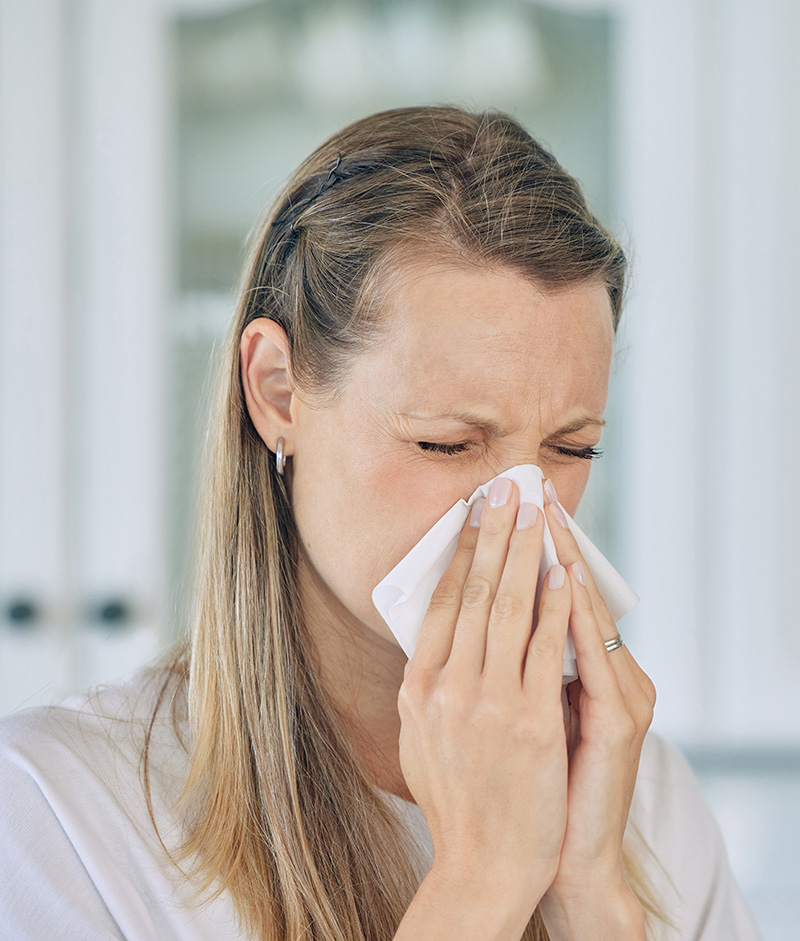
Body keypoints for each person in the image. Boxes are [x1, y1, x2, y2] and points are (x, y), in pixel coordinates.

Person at [0, 106, 760, 941]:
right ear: (278, 391)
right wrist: (483, 879)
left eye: (571, 447)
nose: (520, 507)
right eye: (446, 442)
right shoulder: (57, 813)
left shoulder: (645, 799)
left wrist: (596, 900)